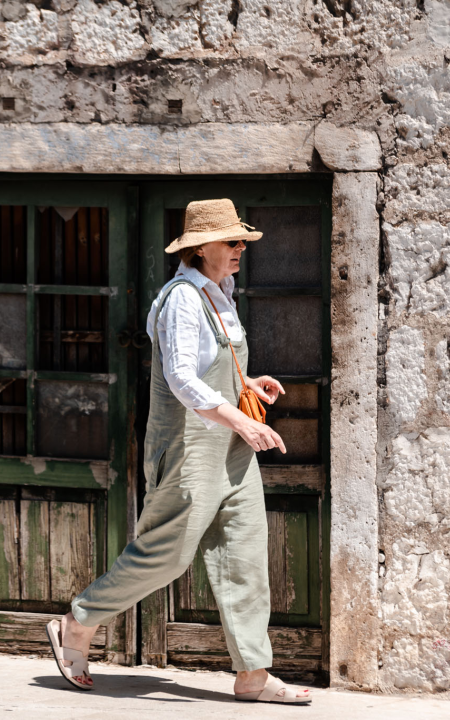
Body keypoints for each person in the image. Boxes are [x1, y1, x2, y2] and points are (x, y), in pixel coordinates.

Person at [45, 198, 313, 704]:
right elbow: (181, 378)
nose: (240, 249)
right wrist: (239, 419)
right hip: (189, 449)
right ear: (200, 246)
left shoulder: (221, 292)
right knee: (165, 556)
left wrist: (247, 385)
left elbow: (213, 367)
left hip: (230, 448)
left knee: (246, 556)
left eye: (241, 241)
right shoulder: (181, 299)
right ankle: (77, 622)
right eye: (232, 241)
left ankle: (253, 675)